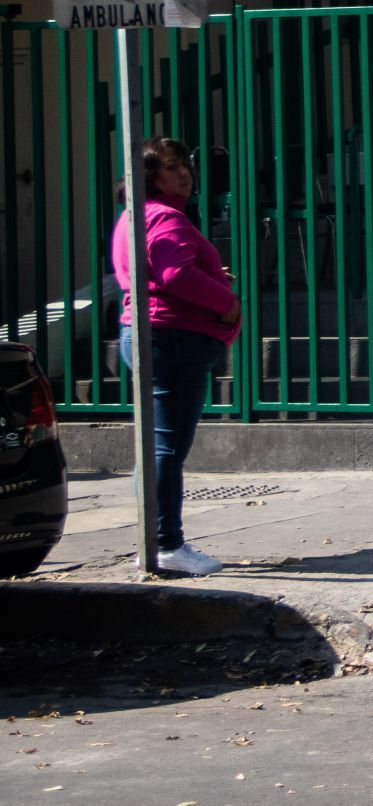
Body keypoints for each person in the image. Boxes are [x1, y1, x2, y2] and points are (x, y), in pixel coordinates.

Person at [112, 137, 241, 577]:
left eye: (185, 163)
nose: (183, 173)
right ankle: (167, 544)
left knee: (155, 445)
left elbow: (155, 273)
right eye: (170, 167)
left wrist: (207, 276)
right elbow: (174, 274)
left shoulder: (136, 217)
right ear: (150, 177)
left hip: (149, 336)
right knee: (167, 446)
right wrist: (224, 299)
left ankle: (153, 540)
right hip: (174, 340)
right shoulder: (165, 217)